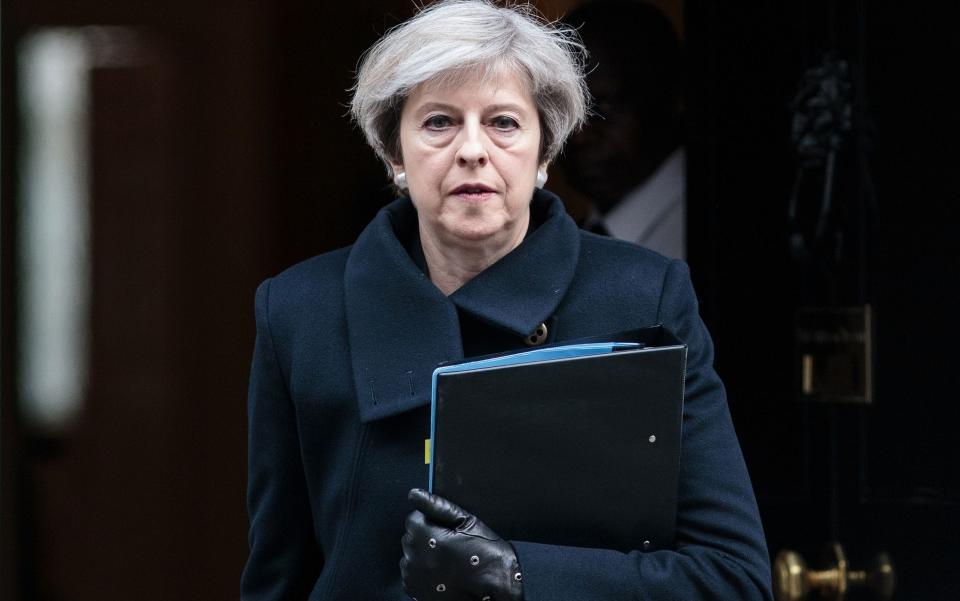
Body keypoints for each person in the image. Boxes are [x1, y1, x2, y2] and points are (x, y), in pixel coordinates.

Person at [241, 1, 771, 600]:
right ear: (395, 153)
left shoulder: (644, 296)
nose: (472, 149)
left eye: (504, 122)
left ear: (545, 153)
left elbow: (733, 580)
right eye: (438, 122)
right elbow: (277, 578)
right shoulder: (299, 310)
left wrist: (519, 576)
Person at [561, 0, 687, 260]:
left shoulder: (699, 240)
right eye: (564, 114)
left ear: (671, 98)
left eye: (604, 108)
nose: (579, 136)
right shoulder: (568, 239)